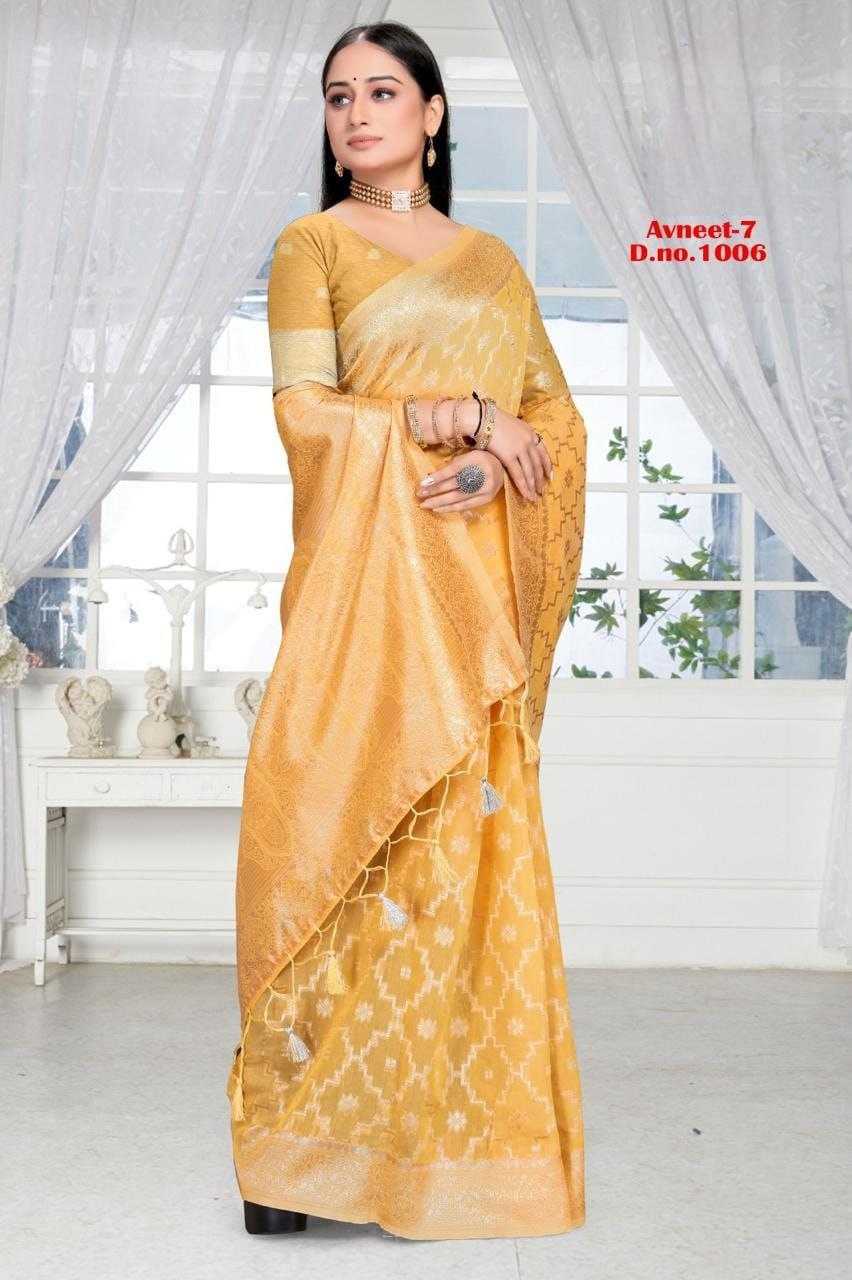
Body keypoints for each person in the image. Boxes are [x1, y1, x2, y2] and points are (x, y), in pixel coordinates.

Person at [226, 19, 588, 1242]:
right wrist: (450, 414)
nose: (357, 113)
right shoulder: (313, 244)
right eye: (339, 96)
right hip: (362, 595)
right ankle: (294, 1147)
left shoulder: (494, 264)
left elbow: (553, 424)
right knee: (326, 835)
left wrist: (495, 462)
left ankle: (441, 1144)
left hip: (470, 602)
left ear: (433, 114)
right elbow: (303, 411)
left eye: (383, 91)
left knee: (452, 867)